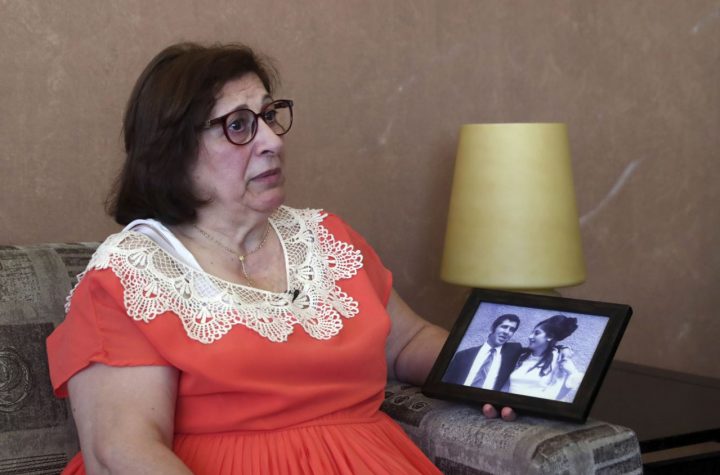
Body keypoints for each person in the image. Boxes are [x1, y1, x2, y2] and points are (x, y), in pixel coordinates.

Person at [45, 42, 513, 475]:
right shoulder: (130, 275)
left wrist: (491, 378)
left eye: (269, 116)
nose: (272, 141)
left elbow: (408, 344)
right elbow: (121, 451)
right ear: (173, 149)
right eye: (239, 125)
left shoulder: (327, 237)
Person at [505, 315, 584, 401]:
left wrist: (571, 370)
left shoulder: (559, 359)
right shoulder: (521, 356)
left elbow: (575, 381)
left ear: (549, 337)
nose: (530, 336)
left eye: (537, 333)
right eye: (532, 332)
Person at [442, 314, 524, 390]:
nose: (506, 332)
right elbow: (446, 383)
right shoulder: (463, 355)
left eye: (511, 330)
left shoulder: (513, 350)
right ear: (493, 328)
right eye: (504, 327)